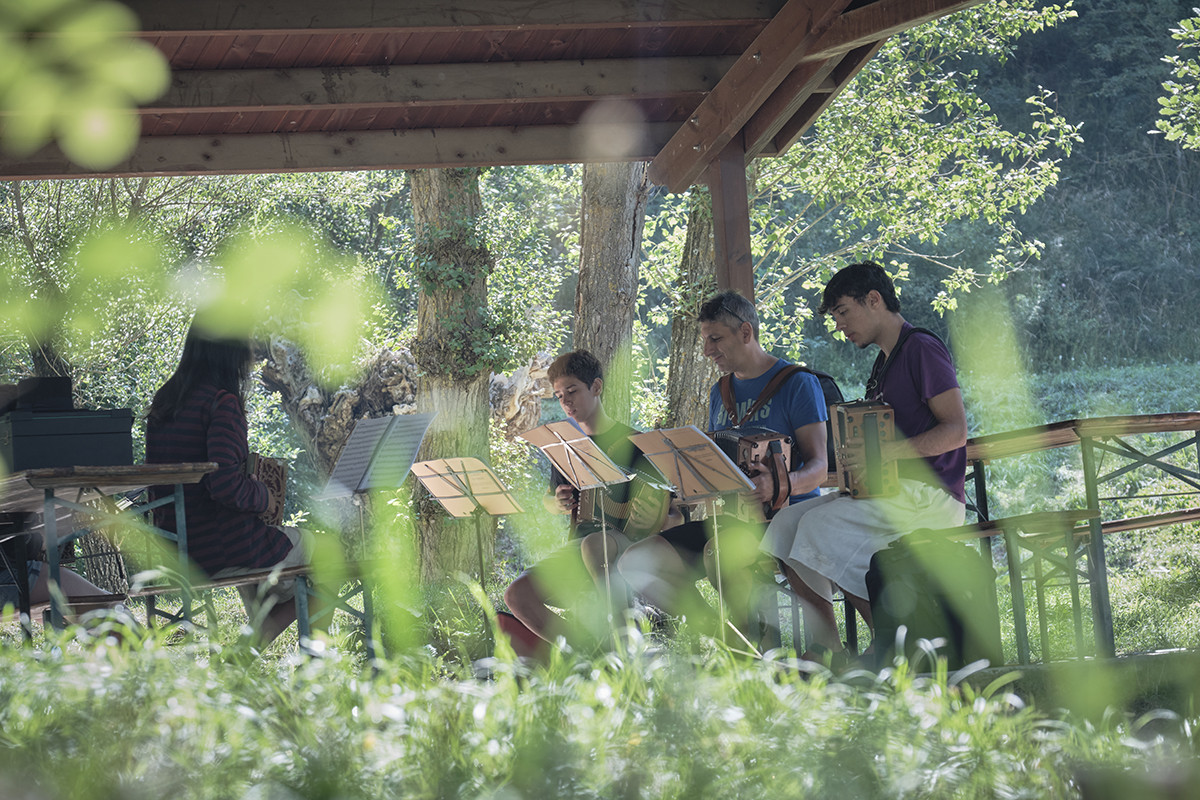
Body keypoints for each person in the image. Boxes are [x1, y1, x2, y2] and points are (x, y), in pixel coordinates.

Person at [760, 261, 968, 659]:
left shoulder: (921, 348)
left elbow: (956, 431)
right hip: (892, 494)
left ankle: (898, 644)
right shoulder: (882, 365)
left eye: (842, 311)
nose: (839, 325)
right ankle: (829, 648)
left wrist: (884, 452)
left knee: (819, 525)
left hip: (931, 497)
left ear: (874, 300)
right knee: (786, 524)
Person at [617, 291, 829, 640]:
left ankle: (754, 646)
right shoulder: (721, 391)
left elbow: (819, 468)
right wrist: (686, 479)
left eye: (715, 338)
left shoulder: (797, 384)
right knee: (635, 562)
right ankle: (721, 637)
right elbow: (722, 467)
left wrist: (776, 485)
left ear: (746, 332)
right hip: (728, 521)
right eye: (705, 340)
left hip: (787, 523)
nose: (707, 350)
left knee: (722, 552)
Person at [145, 322, 315, 648]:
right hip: (219, 546)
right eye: (249, 344)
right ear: (230, 350)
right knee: (326, 556)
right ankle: (298, 664)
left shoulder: (164, 403)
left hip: (177, 547)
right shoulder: (221, 403)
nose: (253, 355)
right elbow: (223, 484)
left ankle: (251, 646)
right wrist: (263, 496)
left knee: (265, 563)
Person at [502, 350, 671, 658]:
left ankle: (625, 650)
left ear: (596, 387)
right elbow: (551, 502)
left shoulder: (635, 443)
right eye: (559, 395)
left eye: (572, 391)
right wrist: (558, 502)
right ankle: (589, 654)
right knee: (516, 594)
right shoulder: (565, 445)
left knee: (595, 545)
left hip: (629, 544)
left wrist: (654, 517)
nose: (566, 401)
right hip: (581, 546)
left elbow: (669, 510)